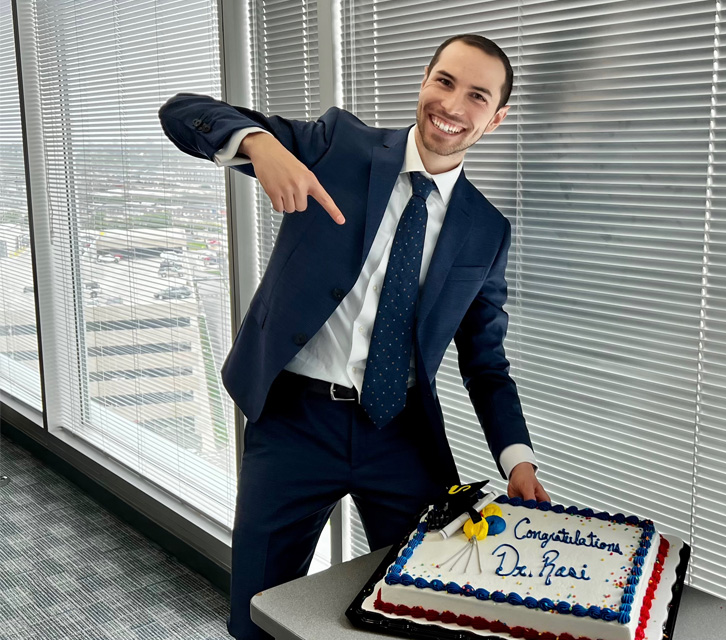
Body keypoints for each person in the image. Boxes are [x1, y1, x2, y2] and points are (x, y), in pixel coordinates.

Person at [158, 34, 549, 640]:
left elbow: (485, 361)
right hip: (293, 421)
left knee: (428, 608)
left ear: (495, 118)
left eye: (477, 95)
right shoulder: (338, 145)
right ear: (424, 82)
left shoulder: (486, 230)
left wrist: (517, 461)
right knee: (256, 615)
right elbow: (183, 112)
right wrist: (260, 145)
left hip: (401, 433)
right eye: (444, 81)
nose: (452, 104)